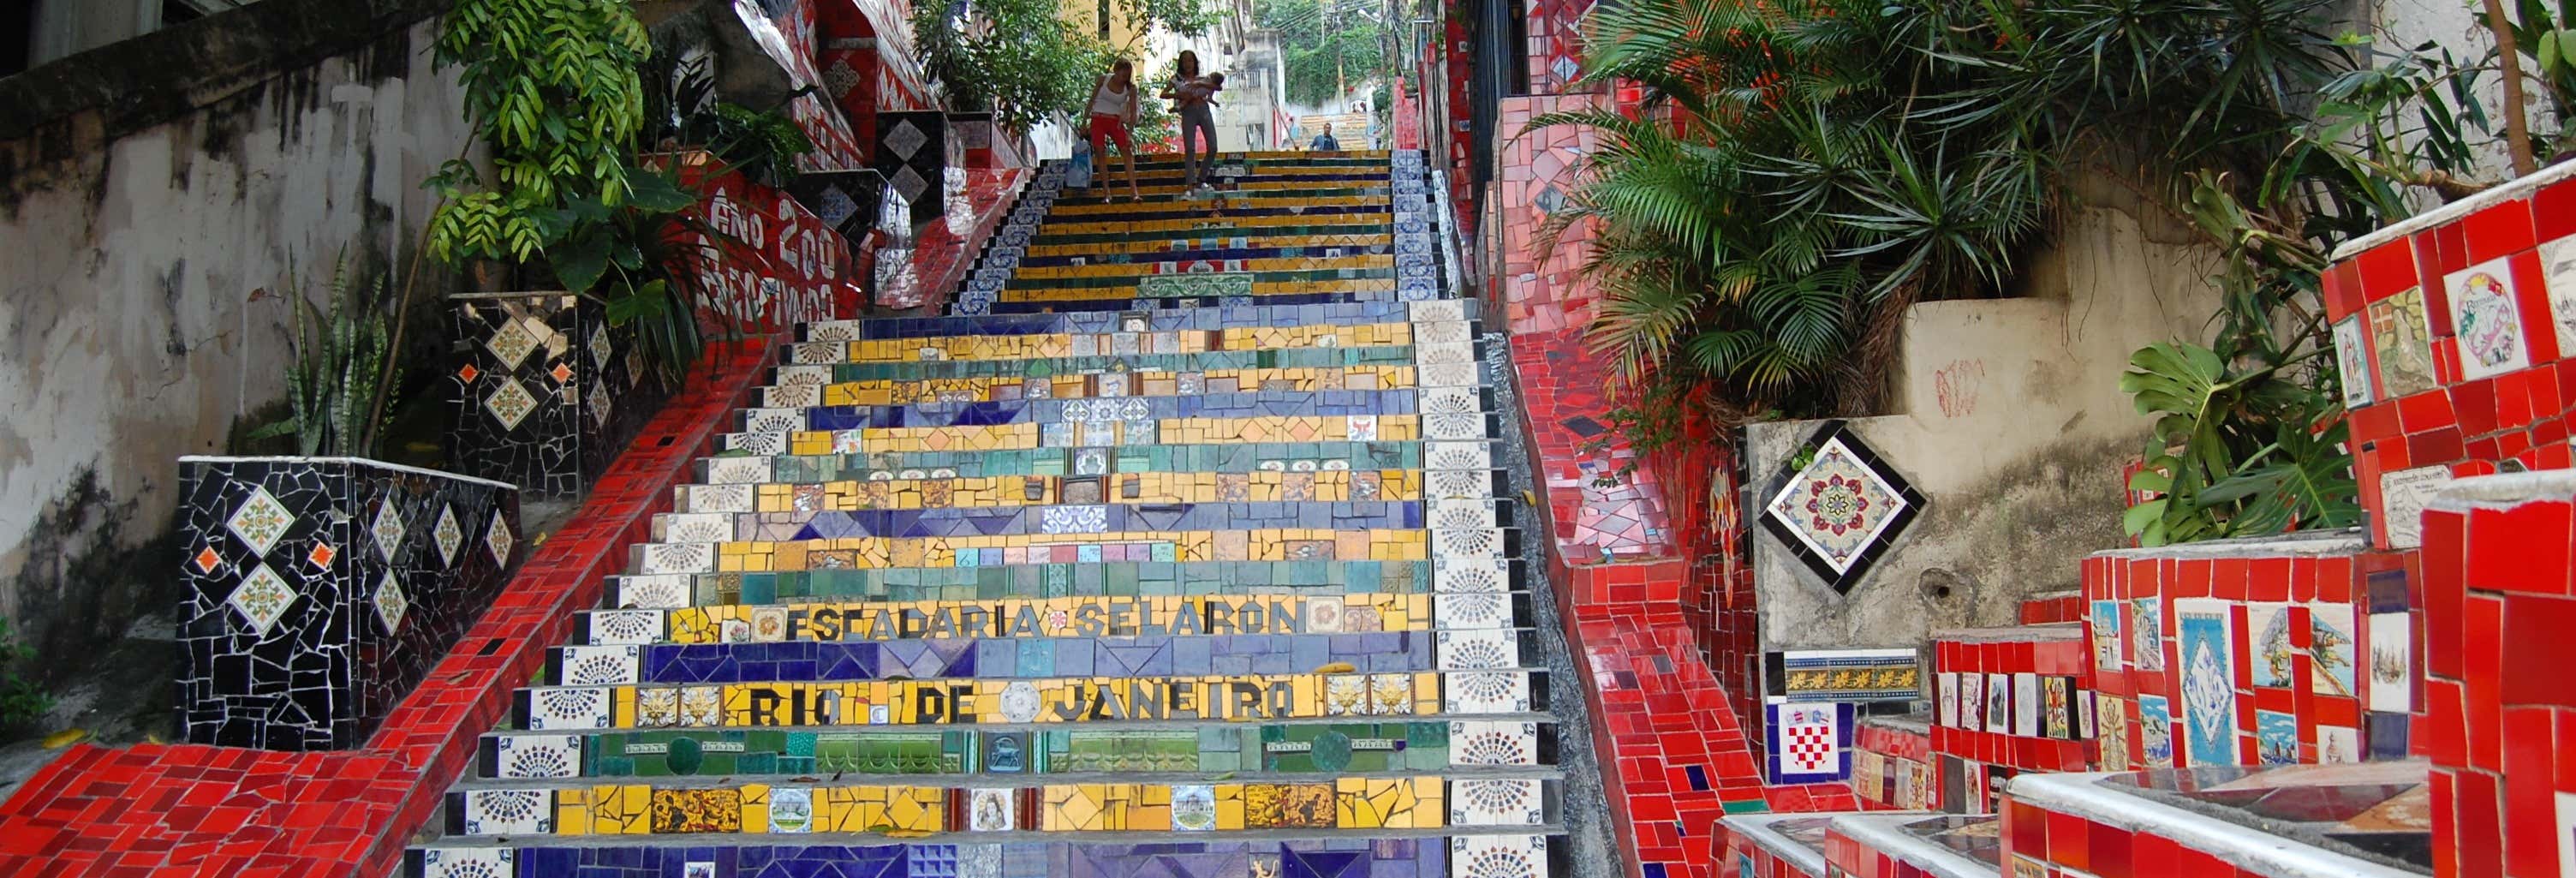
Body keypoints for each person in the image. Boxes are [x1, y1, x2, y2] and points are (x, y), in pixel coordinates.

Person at [1162, 52, 1222, 192]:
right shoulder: (1176, 79)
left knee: (1212, 147)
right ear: (1181, 64)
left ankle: (1201, 179)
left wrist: (1200, 83)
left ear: (1195, 63)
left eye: (1190, 61)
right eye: (1184, 62)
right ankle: (1191, 184)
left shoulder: (1202, 78)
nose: (1188, 64)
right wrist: (1179, 95)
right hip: (1188, 111)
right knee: (1190, 149)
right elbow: (1163, 94)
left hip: (1203, 109)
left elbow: (1218, 87)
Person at [1086, 59, 1143, 202]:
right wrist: (1084, 122)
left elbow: (1134, 111)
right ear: (1116, 71)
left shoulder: (1130, 88)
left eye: (1125, 74)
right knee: (1100, 152)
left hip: (1115, 121)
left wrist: (1129, 133)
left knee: (1126, 151)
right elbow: (1091, 100)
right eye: (1120, 72)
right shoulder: (1103, 80)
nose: (1121, 76)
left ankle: (1134, 192)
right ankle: (1107, 193)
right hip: (1098, 118)